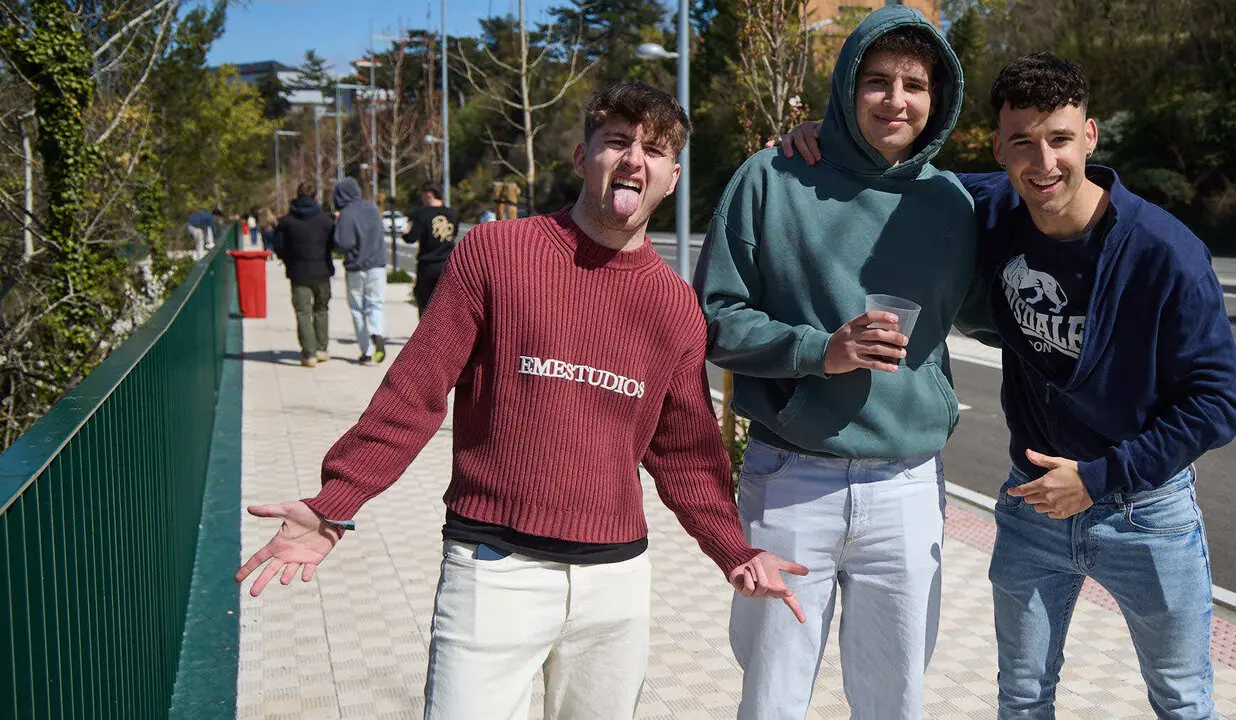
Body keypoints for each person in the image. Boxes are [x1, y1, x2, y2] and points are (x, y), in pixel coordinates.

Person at [235, 82, 807, 720]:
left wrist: (733, 547)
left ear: (672, 178)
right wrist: (337, 500)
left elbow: (685, 453)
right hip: (492, 570)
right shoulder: (496, 255)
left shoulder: (673, 306)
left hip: (614, 584)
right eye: (616, 140)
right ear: (580, 156)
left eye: (655, 149)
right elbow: (415, 391)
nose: (633, 159)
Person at [776, 52, 1236, 719]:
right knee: (1022, 700)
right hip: (1032, 509)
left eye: (1058, 138)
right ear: (998, 148)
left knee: (1182, 700)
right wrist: (815, 140)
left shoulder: (1164, 254)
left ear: (1089, 136)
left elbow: (1218, 403)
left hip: (1146, 513)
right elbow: (895, 174)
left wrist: (1099, 477)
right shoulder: (992, 208)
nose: (1042, 162)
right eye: (1022, 142)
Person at [692, 7, 972, 718]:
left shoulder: (955, 202)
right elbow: (713, 320)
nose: (896, 99)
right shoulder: (773, 177)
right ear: (847, 87)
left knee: (895, 700)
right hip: (791, 478)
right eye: (876, 81)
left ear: (938, 99)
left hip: (907, 487)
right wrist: (823, 351)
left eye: (914, 84)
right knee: (772, 695)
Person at [275, 183, 336, 367]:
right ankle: (322, 349)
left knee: (303, 313)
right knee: (321, 309)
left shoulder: (286, 222)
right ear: (315, 197)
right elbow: (333, 244)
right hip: (322, 271)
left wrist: (289, 260)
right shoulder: (326, 220)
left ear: (296, 196)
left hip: (298, 272)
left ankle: (309, 354)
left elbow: (278, 247)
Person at [331, 177, 388, 365]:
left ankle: (367, 351)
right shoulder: (372, 208)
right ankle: (376, 332)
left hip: (356, 267)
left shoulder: (346, 213)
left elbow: (342, 244)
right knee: (375, 305)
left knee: (357, 309)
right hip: (377, 265)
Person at [402, 184, 459, 313]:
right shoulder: (453, 214)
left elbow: (411, 238)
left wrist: (405, 233)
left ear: (429, 195)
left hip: (427, 264)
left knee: (425, 304)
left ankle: (427, 332)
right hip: (448, 264)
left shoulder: (422, 215)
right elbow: (453, 235)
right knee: (446, 305)